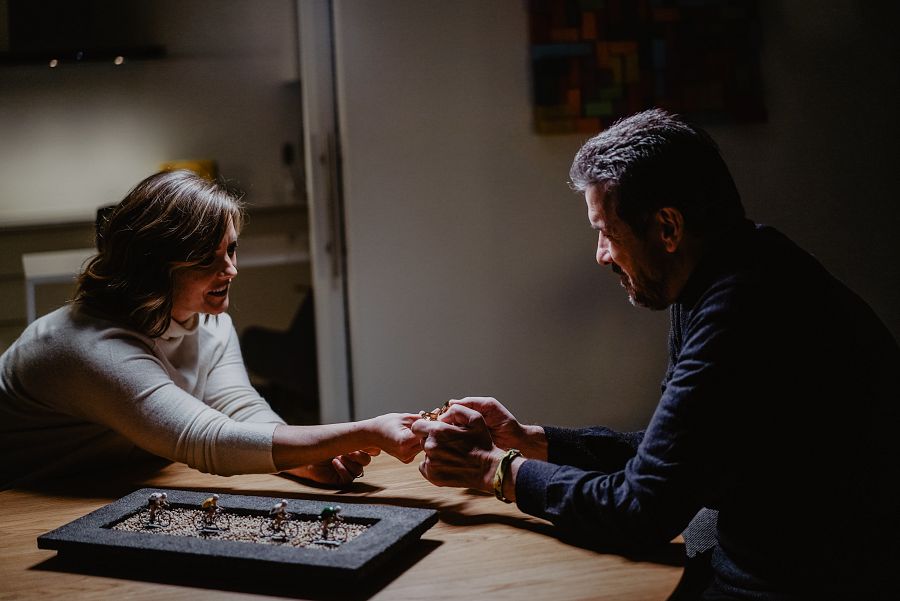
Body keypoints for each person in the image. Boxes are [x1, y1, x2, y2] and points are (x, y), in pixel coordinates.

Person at [412, 109, 898, 599]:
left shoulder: (741, 308)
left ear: (667, 227)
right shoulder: (728, 269)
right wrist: (530, 440)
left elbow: (640, 509)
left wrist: (493, 469)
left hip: (807, 580)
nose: (601, 254)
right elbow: (675, 455)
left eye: (606, 231)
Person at [0, 170, 421, 489]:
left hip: (106, 486)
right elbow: (207, 439)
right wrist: (364, 431)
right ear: (154, 266)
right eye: (208, 258)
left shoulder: (211, 323)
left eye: (232, 249)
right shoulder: (87, 347)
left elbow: (238, 408)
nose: (231, 270)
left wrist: (302, 461)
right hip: (19, 500)